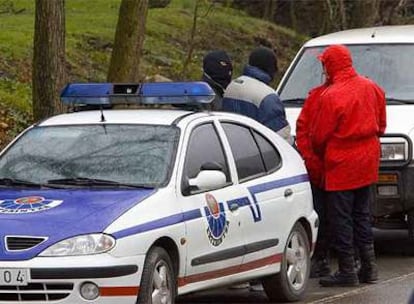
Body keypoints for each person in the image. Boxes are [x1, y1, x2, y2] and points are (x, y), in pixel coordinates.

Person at [310, 45, 386, 287]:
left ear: (330, 65)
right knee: (362, 214)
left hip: (342, 162)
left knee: (341, 217)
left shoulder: (330, 95)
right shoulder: (372, 87)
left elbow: (319, 136)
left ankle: (347, 270)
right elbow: (381, 125)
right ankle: (369, 267)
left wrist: (325, 154)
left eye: (324, 63)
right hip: (368, 159)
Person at [222, 46, 293, 145]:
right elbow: (282, 139)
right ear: (269, 68)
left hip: (230, 148)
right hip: (258, 154)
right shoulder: (267, 96)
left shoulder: (232, 86)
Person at [296, 83, 331, 278]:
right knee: (335, 215)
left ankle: (329, 260)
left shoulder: (319, 96)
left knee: (333, 215)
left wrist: (310, 157)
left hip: (333, 166)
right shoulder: (316, 96)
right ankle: (350, 263)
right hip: (329, 166)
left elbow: (306, 131)